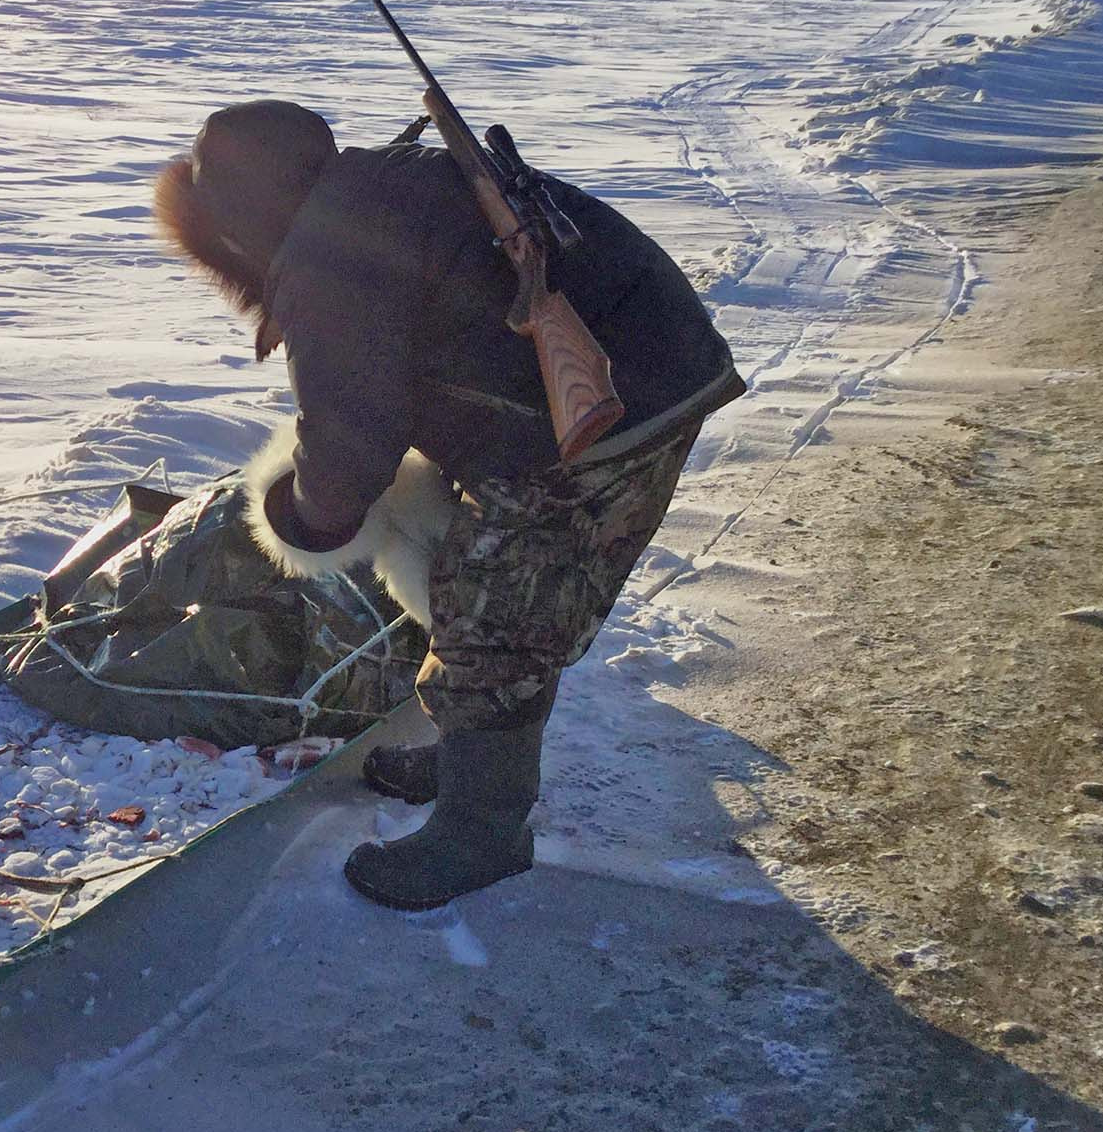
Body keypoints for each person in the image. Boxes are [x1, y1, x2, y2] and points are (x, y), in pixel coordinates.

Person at [154, 100, 744, 911]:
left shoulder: (327, 254)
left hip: (612, 408)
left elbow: (352, 443)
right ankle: (467, 752)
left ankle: (482, 832)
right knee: (479, 570)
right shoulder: (378, 190)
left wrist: (301, 522)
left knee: (499, 610)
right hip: (646, 361)